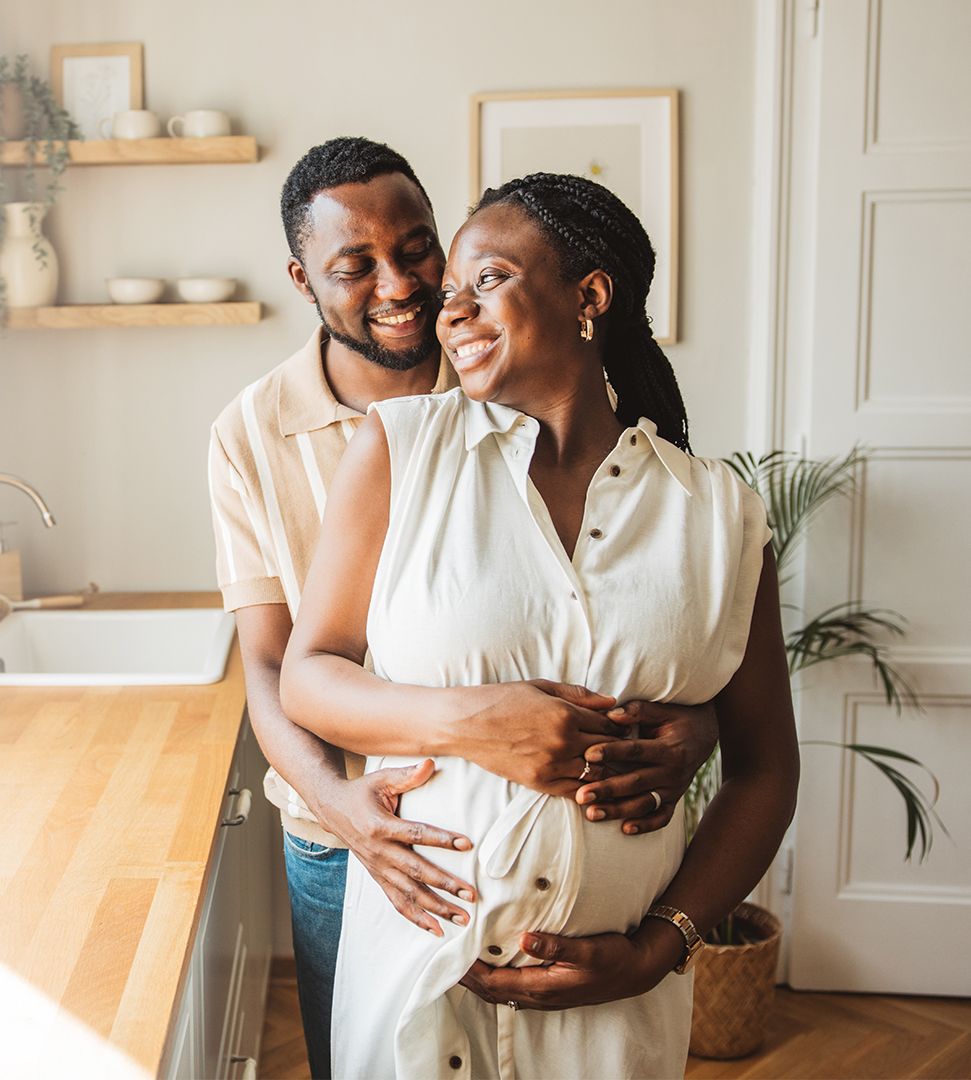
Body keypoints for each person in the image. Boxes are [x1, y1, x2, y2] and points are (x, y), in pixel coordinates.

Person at [208, 141, 722, 1078]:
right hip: (352, 830)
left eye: (419, 252)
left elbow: (634, 601)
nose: (406, 287)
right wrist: (348, 805)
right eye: (353, 265)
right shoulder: (256, 434)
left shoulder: (505, 369)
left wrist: (696, 725)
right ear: (303, 278)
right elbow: (279, 667)